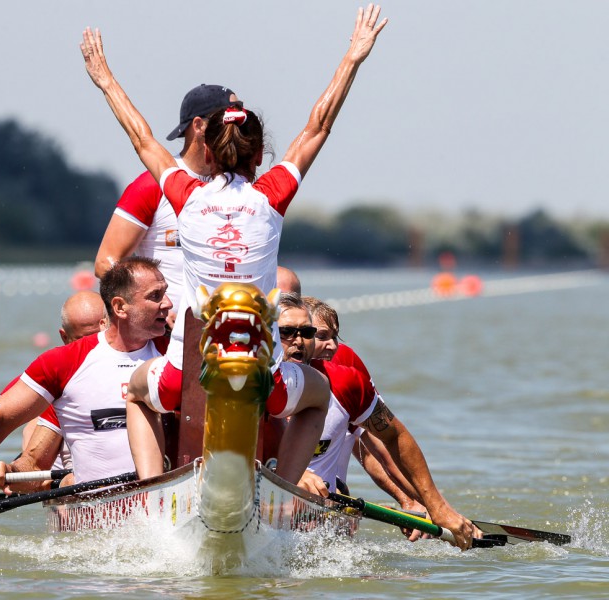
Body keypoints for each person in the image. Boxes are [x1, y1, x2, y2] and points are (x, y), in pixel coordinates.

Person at [80, 4, 387, 485]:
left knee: (138, 394)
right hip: (267, 375)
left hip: (191, 368)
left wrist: (105, 80)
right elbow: (319, 126)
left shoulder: (186, 196)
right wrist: (353, 57)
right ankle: (284, 488)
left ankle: (149, 488)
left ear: (205, 147)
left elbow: (140, 135)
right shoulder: (273, 196)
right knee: (318, 397)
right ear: (258, 153)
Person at [0, 257, 172, 536]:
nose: (168, 304)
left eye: (165, 293)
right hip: (96, 519)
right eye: (155, 296)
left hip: (165, 500)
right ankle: (62, 485)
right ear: (119, 307)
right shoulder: (64, 363)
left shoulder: (178, 351)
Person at [277, 292, 477, 549]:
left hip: (322, 523)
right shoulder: (244, 376)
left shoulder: (345, 379)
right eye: (287, 332)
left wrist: (432, 507)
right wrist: (294, 475)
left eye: (307, 332)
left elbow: (388, 440)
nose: (299, 341)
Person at [94, 84, 243, 318]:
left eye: (242, 119)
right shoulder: (151, 184)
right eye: (230, 119)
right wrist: (157, 306)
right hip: (167, 331)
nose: (239, 128)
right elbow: (105, 262)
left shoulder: (241, 185)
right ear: (198, 125)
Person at [0, 290, 109, 464]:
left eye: (99, 338)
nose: (92, 347)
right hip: (50, 479)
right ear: (64, 337)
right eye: (83, 340)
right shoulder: (50, 373)